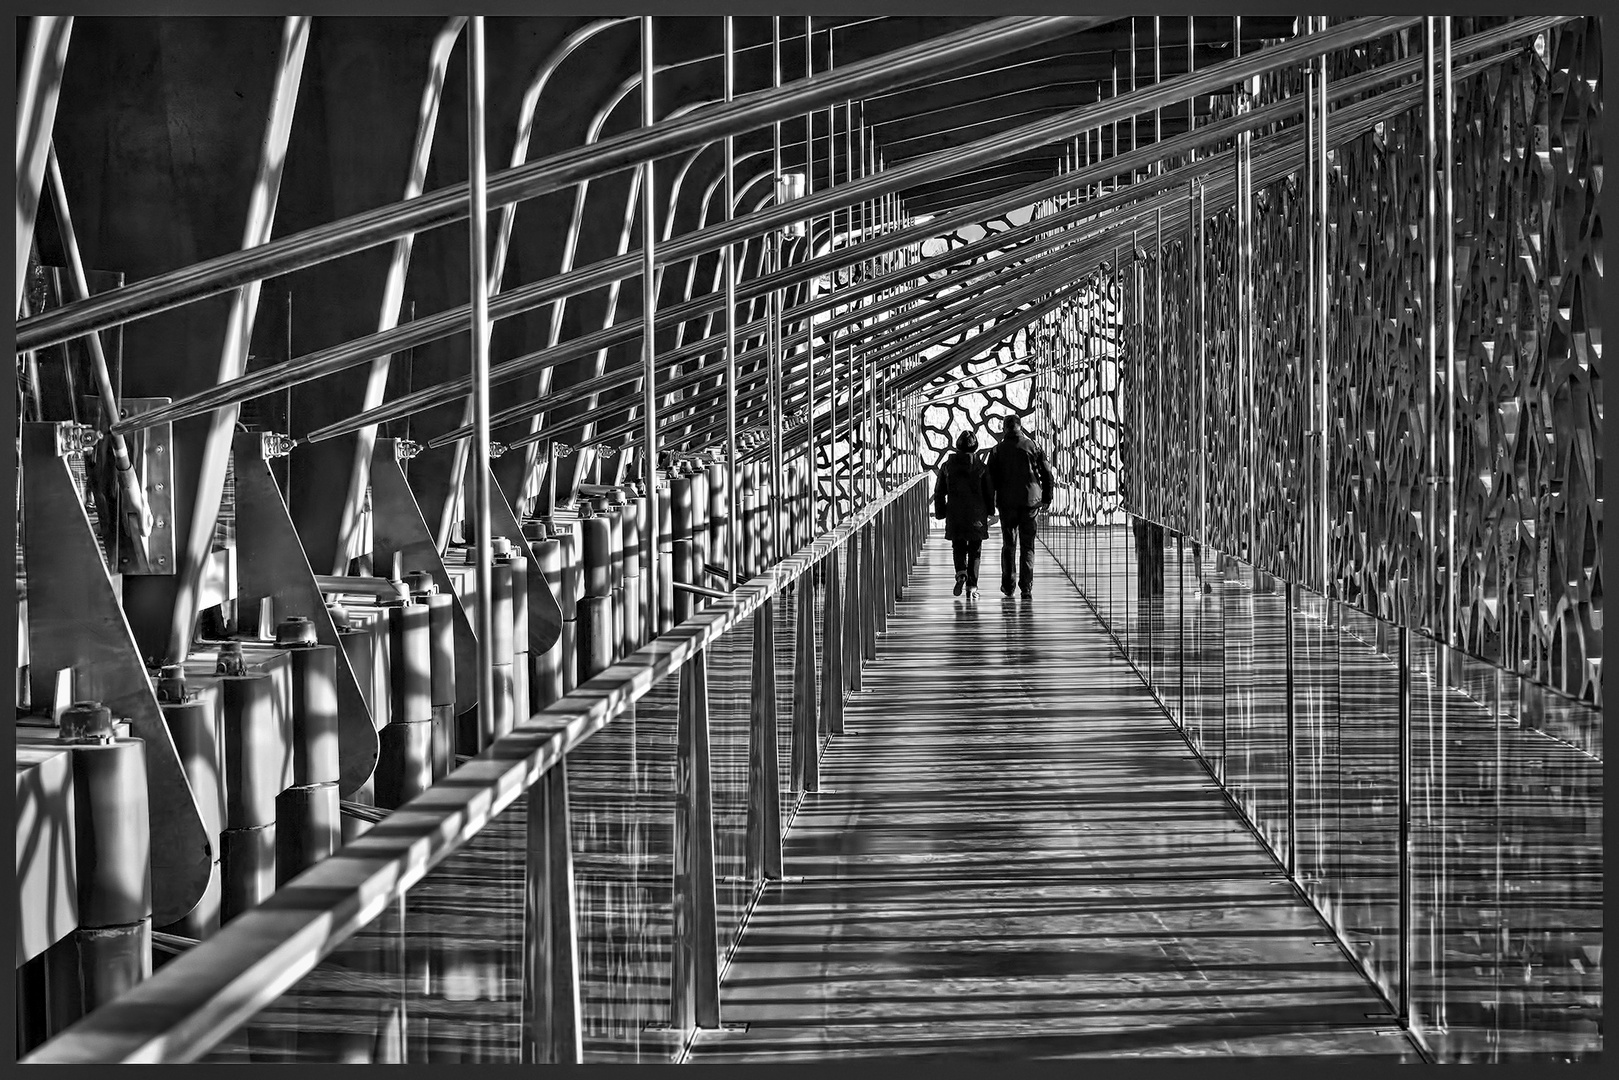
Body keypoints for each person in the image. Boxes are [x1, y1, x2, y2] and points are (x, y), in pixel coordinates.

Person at [985, 413, 1054, 599]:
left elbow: (989, 480)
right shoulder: (1034, 446)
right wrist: (1047, 497)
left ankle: (1008, 586)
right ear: (1020, 427)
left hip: (1007, 503)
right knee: (1028, 545)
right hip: (1030, 502)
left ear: (1004, 429)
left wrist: (989, 506)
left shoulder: (996, 451)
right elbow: (1047, 473)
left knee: (1009, 545)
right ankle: (1026, 587)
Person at [931, 429, 996, 601]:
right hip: (977, 515)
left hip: (955, 514)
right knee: (975, 551)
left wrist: (940, 513)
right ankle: (972, 586)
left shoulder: (947, 466)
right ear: (975, 447)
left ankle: (961, 573)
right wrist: (990, 511)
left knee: (958, 546)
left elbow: (939, 492)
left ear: (958, 445)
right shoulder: (981, 467)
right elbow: (989, 492)